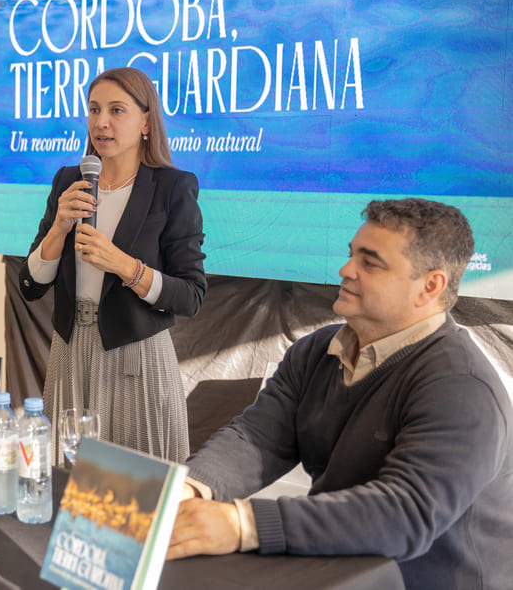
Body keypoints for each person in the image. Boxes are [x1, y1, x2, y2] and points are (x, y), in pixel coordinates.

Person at [167, 198, 513, 590]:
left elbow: (404, 515)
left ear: (429, 287)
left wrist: (242, 524)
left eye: (371, 263)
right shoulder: (316, 352)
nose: (345, 270)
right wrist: (191, 487)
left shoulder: (463, 388)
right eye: (352, 255)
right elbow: (258, 438)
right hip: (339, 568)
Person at [19, 67, 207, 465]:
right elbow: (31, 285)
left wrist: (126, 266)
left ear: (146, 123)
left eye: (116, 110)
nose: (101, 122)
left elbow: (191, 295)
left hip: (136, 355)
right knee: (69, 482)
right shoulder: (69, 181)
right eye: (94, 109)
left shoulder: (172, 187)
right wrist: (58, 228)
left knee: (135, 489)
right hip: (70, 352)